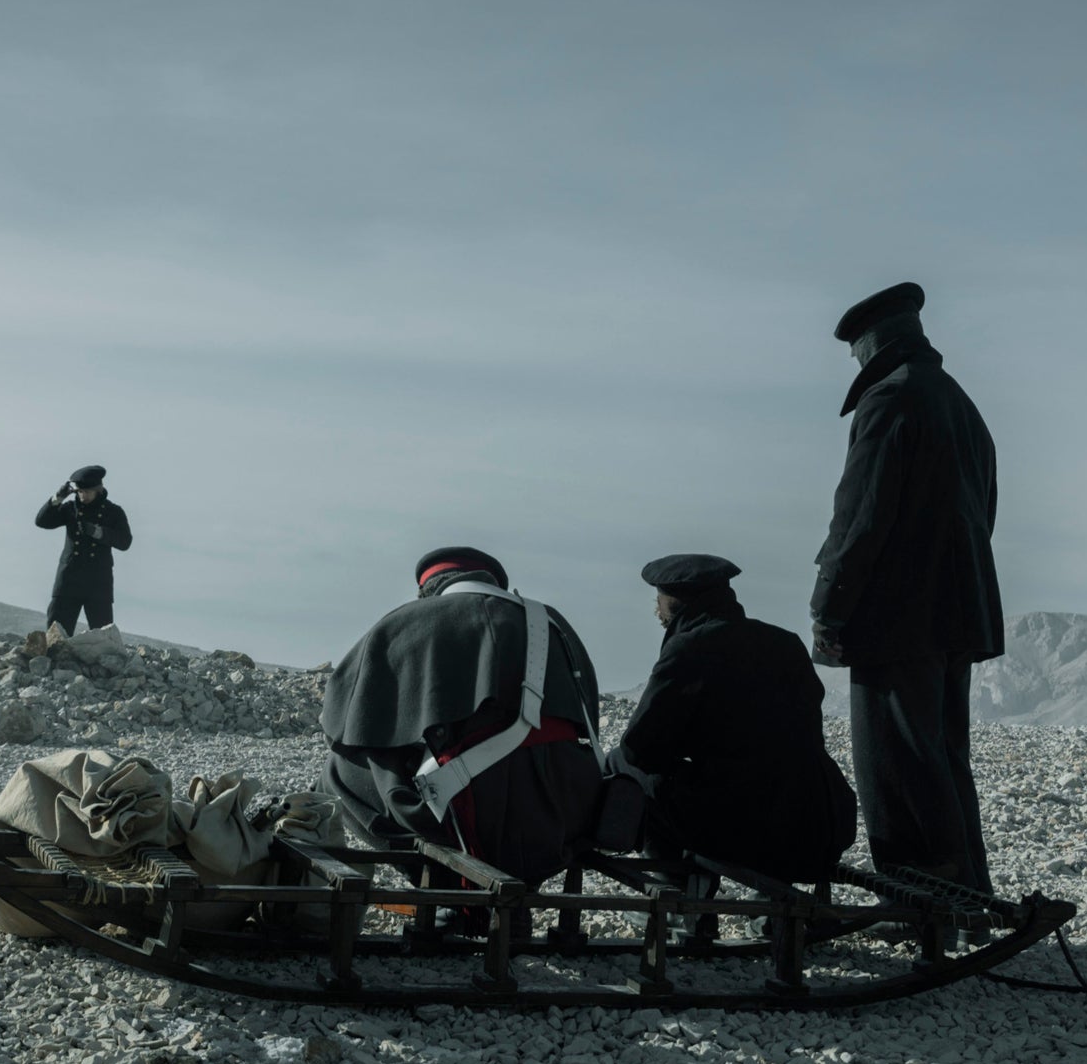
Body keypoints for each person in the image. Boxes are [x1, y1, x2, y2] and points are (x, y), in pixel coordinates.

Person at [811, 281, 1003, 892]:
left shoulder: (890, 400)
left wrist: (829, 609)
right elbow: (985, 510)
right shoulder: (958, 402)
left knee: (894, 760)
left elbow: (860, 517)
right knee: (943, 754)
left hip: (897, 616)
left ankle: (921, 893)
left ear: (871, 346)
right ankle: (968, 888)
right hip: (959, 611)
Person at [317, 546, 607, 905]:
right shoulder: (552, 624)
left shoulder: (407, 622)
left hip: (468, 817)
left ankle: (443, 885)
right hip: (561, 817)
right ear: (492, 583)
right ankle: (522, 889)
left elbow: (341, 723)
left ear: (428, 590)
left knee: (340, 769)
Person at [608, 554, 857, 883]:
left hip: (751, 830)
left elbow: (639, 750)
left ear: (676, 602)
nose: (656, 611)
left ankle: (675, 890)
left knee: (623, 767)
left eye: (660, 600)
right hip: (820, 823)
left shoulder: (689, 648)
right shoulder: (786, 643)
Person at [35, 464, 133, 636]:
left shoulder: (113, 512)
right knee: (56, 634)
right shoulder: (70, 509)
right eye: (79, 492)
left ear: (98, 489)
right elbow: (42, 522)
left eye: (86, 491)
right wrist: (58, 498)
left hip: (98, 583)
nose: (82, 496)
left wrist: (98, 532)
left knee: (103, 636)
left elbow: (125, 542)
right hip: (68, 581)